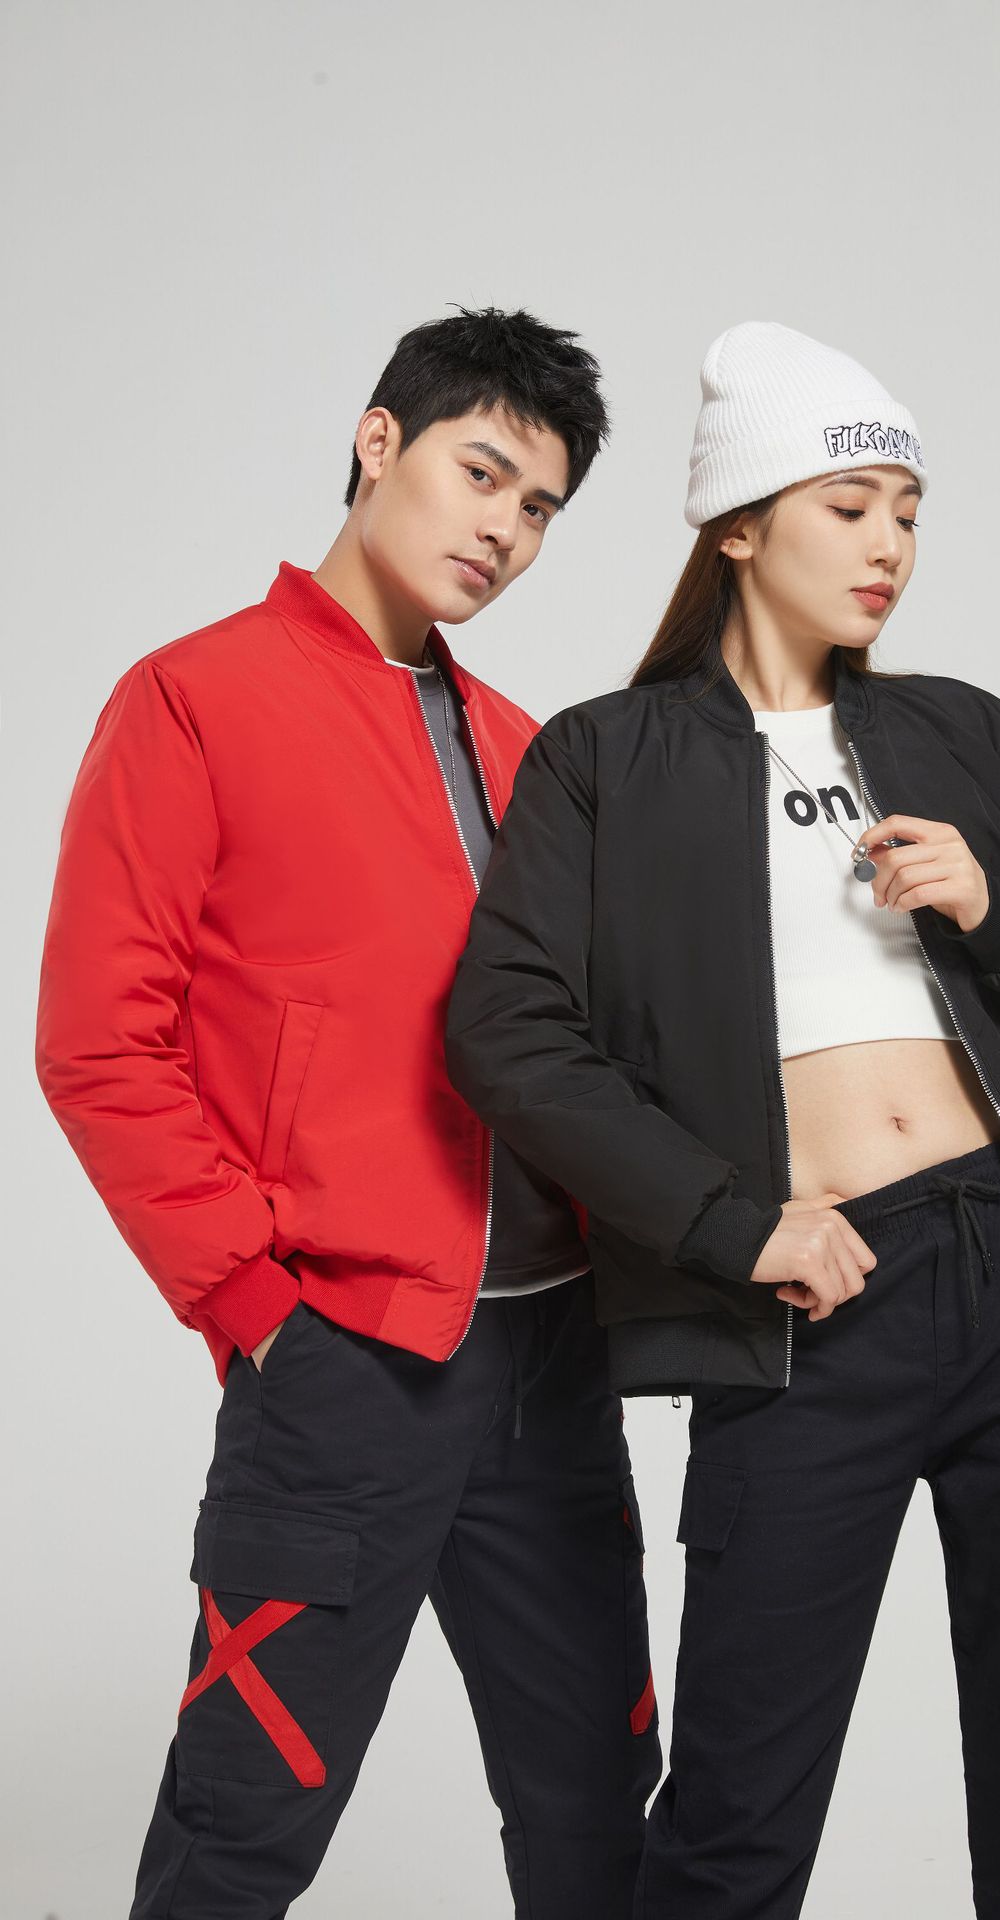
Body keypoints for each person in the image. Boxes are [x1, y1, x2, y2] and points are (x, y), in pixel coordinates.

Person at [444, 319, 1000, 1919]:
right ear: (738, 525)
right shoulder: (606, 759)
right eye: (849, 507)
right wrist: (734, 1225)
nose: (888, 546)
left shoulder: (962, 733)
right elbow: (508, 1034)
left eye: (907, 514)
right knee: (734, 1827)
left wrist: (994, 904)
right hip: (804, 1308)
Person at [34, 307, 661, 1919]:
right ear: (379, 441)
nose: (505, 531)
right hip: (346, 1364)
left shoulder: (529, 751)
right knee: (243, 1828)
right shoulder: (193, 700)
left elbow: (583, 1052)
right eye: (482, 473)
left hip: (552, 1365)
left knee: (604, 1817)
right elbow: (99, 1043)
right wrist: (258, 1307)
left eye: (540, 508)